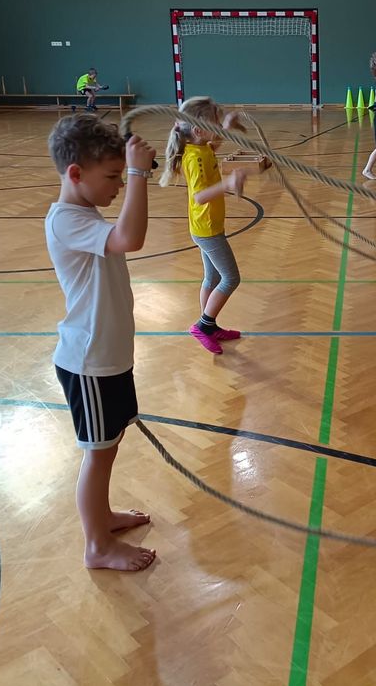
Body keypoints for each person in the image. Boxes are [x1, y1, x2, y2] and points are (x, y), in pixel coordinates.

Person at [45, 114, 157, 572]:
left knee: (108, 445)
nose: (116, 187)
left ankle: (103, 517)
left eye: (118, 176)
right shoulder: (66, 220)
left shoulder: (84, 213)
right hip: (88, 362)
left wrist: (125, 172)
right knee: (97, 452)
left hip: (108, 358)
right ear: (76, 174)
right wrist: (136, 173)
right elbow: (131, 237)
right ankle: (97, 545)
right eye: (109, 177)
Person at [159, 96, 246, 355]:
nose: (218, 127)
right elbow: (199, 195)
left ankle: (209, 324)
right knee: (231, 278)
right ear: (198, 130)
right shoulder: (193, 158)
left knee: (213, 277)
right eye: (216, 123)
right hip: (206, 229)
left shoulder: (201, 147)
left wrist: (227, 127)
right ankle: (203, 326)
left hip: (208, 226)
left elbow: (213, 146)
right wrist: (228, 185)